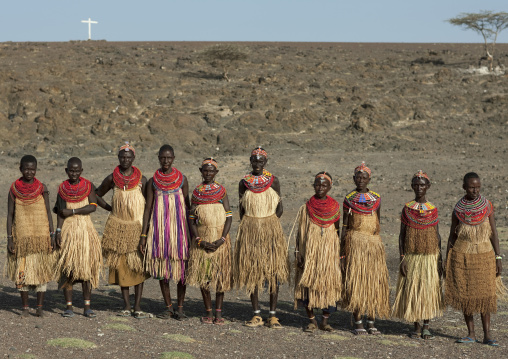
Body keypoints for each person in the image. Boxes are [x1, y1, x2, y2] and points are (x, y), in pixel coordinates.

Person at [445, 172, 506, 346]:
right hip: (462, 256)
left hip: (485, 256)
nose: (475, 190)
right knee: (466, 295)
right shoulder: (458, 209)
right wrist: (447, 258)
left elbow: (494, 233)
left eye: (478, 187)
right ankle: (471, 333)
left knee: (485, 295)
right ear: (464, 187)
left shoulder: (487, 206)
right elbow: (452, 236)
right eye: (472, 187)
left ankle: (487, 335)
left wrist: (498, 257)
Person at [233, 147, 289, 329]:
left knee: (273, 272)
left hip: (270, 230)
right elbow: (241, 210)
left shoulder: (274, 181)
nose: (257, 164)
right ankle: (256, 314)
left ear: (265, 162)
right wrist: (252, 226)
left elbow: (280, 207)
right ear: (250, 161)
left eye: (260, 161)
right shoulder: (244, 182)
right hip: (250, 230)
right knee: (253, 272)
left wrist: (268, 223)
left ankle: (273, 316)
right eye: (254, 160)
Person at [96, 142, 149, 318]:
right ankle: (126, 305)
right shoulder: (112, 178)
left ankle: (138, 305)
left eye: (128, 157)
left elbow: (150, 204)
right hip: (118, 227)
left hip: (137, 227)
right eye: (122, 157)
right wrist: (109, 208)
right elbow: (95, 194)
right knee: (122, 267)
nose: (125, 160)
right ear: (118, 158)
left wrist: (147, 230)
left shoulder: (142, 180)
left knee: (138, 266)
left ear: (133, 158)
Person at [140, 144, 190, 321]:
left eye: (169, 158)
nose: (166, 161)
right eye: (163, 157)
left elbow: (188, 206)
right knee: (163, 268)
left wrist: (192, 233)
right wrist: (144, 235)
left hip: (179, 230)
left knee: (181, 268)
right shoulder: (153, 181)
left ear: (174, 158)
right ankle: (168, 307)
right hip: (159, 230)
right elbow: (148, 208)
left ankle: (181, 307)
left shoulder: (182, 179)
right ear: (158, 158)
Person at [392, 170, 443, 339]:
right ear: (412, 186)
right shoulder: (407, 209)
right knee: (413, 290)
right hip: (412, 256)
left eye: (422, 184)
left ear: (428, 186)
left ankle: (426, 325)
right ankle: (416, 326)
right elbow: (402, 235)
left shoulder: (433, 210)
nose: (419, 187)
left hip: (429, 257)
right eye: (416, 184)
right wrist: (402, 258)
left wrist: (439, 258)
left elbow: (437, 234)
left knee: (427, 290)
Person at [341, 162, 390, 335]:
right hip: (355, 244)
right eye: (358, 177)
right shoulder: (348, 199)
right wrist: (342, 252)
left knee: (373, 283)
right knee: (357, 282)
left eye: (364, 177)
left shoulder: (376, 199)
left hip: (373, 244)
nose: (361, 180)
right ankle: (358, 321)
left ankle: (371, 321)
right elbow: (345, 227)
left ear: (369, 179)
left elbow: (378, 222)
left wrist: (377, 243)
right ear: (354, 178)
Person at [7, 155, 56, 317]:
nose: (30, 171)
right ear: (20, 169)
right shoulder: (14, 189)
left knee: (41, 273)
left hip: (41, 238)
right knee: (22, 273)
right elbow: (10, 215)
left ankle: (40, 308)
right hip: (22, 239)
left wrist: (52, 235)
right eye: (26, 168)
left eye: (32, 169)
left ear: (36, 169)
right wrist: (10, 238)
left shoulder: (42, 188)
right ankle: (25, 308)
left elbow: (49, 213)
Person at [54, 157, 103, 318]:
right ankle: (69, 307)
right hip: (68, 232)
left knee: (86, 269)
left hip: (84, 230)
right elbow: (61, 213)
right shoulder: (62, 188)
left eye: (77, 170)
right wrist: (58, 231)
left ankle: (87, 306)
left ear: (81, 171)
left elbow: (93, 206)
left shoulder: (88, 186)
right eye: (71, 170)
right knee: (68, 269)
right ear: (66, 171)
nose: (74, 173)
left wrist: (73, 212)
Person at [294, 172, 342, 333]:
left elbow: (337, 231)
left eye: (324, 185)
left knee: (328, 284)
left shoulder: (335, 207)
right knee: (308, 283)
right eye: (317, 184)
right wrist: (298, 252)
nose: (320, 188)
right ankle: (311, 320)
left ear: (330, 187)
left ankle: (325, 321)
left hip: (328, 253)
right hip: (310, 253)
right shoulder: (306, 207)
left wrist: (339, 254)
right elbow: (300, 233)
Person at [187, 158, 233, 325]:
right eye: (205, 170)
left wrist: (222, 239)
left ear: (216, 173)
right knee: (204, 276)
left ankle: (218, 313)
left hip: (220, 239)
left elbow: (229, 217)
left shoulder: (222, 191)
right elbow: (191, 220)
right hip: (202, 240)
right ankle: (208, 311)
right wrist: (199, 240)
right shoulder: (196, 193)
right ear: (201, 171)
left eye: (211, 171)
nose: (208, 173)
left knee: (220, 277)